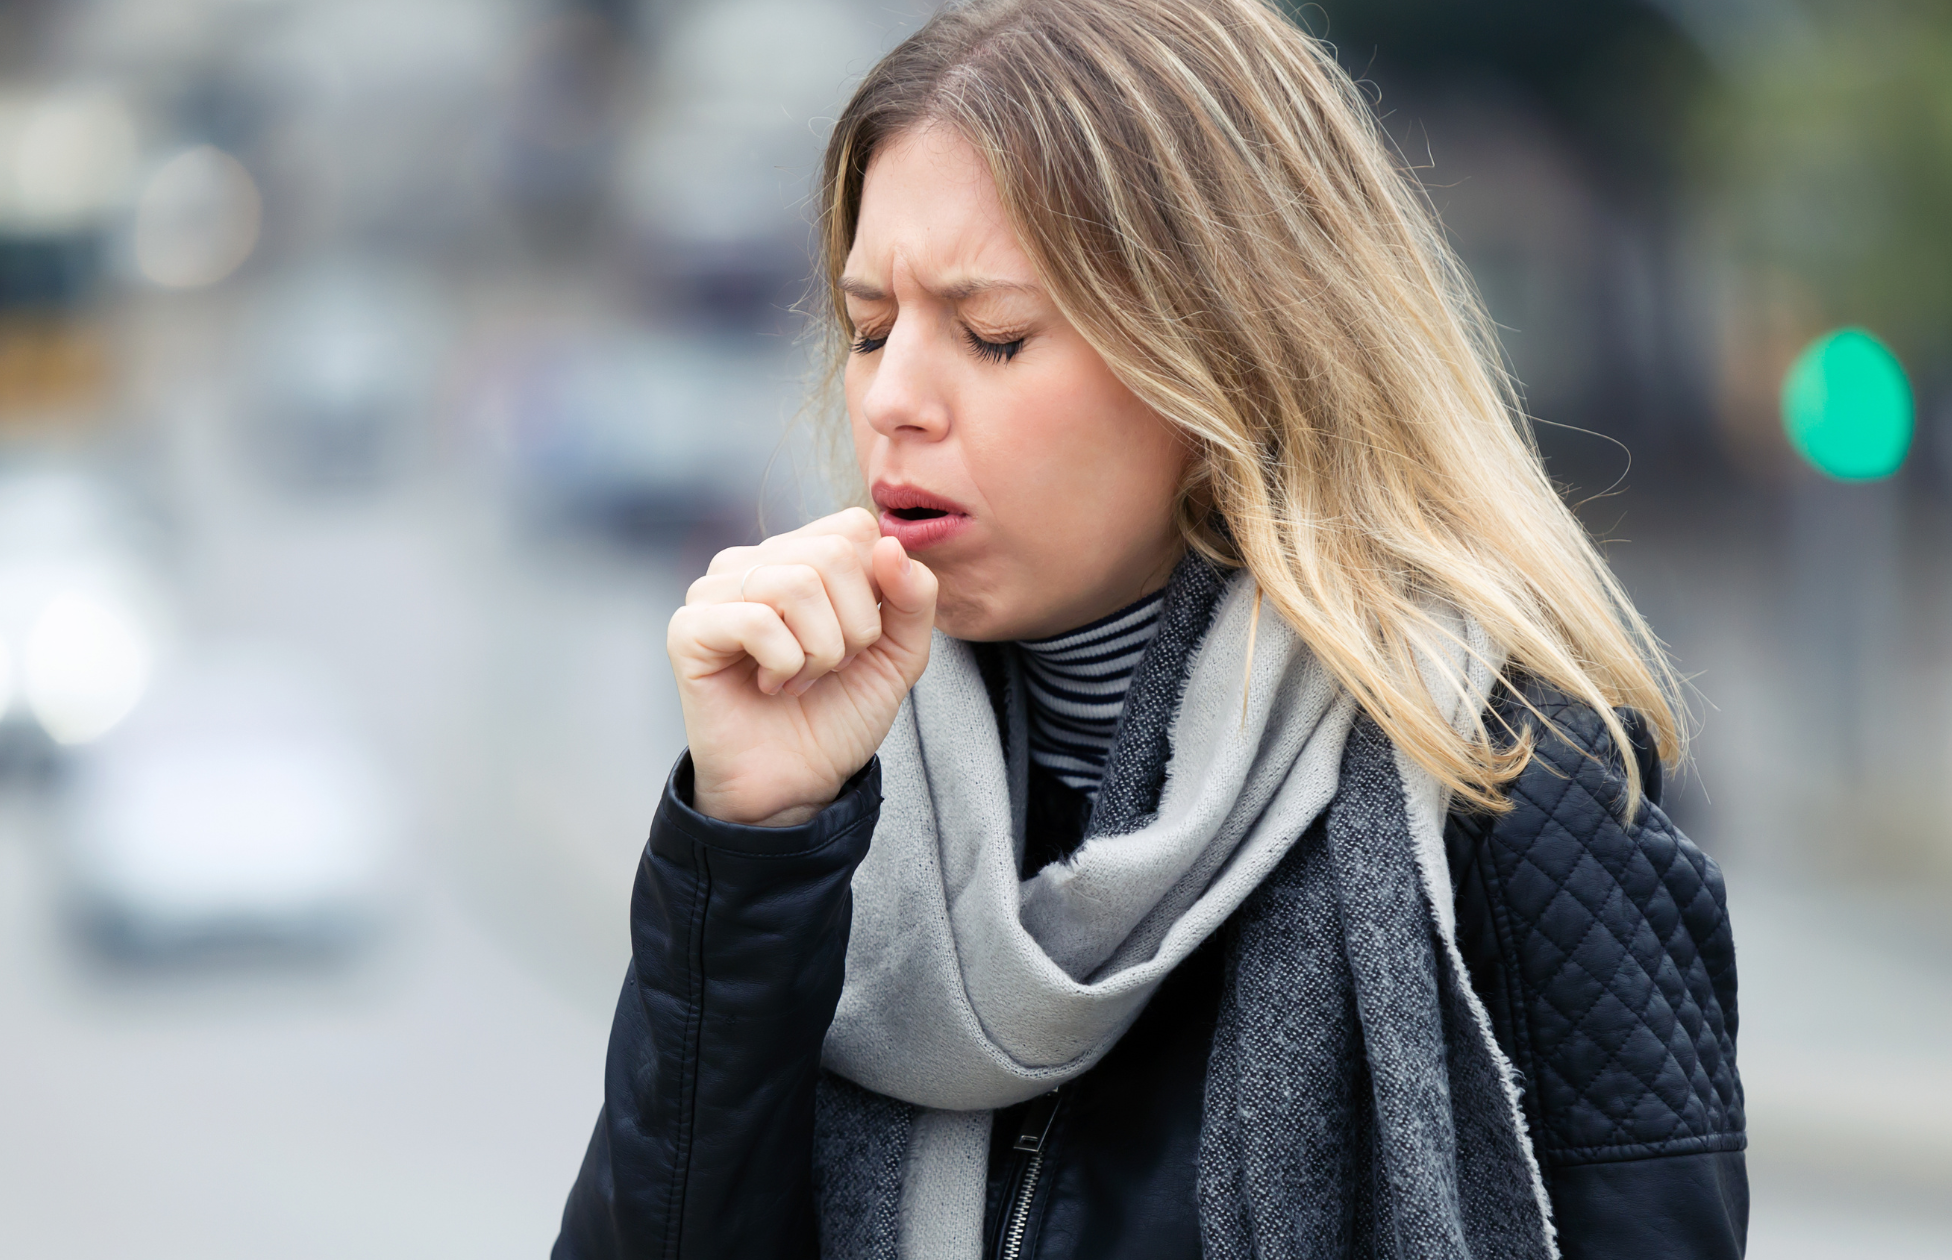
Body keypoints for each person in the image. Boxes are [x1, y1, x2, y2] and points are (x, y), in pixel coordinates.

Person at [553, 0, 1746, 1256]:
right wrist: (751, 847)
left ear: (1223, 355)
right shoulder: (827, 792)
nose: (893, 398)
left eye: (992, 336)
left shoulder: (1514, 793)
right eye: (867, 329)